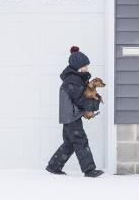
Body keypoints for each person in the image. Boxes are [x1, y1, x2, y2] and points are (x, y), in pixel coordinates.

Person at [45, 46, 104, 178]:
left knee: (70, 143)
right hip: (71, 116)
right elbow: (80, 99)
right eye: (85, 66)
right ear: (78, 66)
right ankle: (89, 170)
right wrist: (94, 104)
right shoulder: (73, 80)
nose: (87, 69)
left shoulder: (76, 79)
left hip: (70, 116)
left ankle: (53, 166)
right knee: (80, 140)